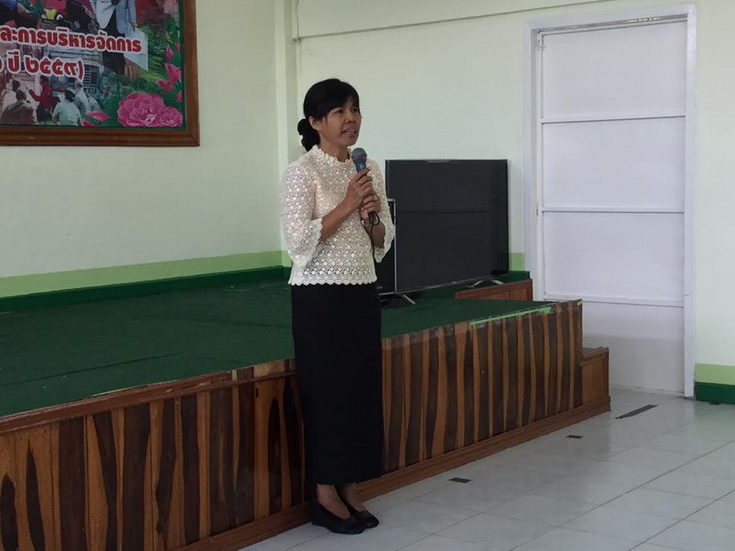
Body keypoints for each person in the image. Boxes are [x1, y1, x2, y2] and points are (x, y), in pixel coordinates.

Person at [280, 78, 394, 535]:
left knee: (359, 391)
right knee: (327, 393)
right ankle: (325, 492)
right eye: (340, 112)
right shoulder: (301, 172)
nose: (351, 119)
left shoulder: (369, 169)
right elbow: (297, 243)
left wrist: (370, 219)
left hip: (361, 291)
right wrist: (348, 203)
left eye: (355, 110)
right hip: (319, 297)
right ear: (315, 121)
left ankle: (349, 484)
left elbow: (383, 239)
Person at [93, 0, 137, 75]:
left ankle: (119, 72)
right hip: (103, 18)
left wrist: (133, 20)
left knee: (119, 47)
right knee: (104, 46)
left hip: (120, 19)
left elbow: (131, 3)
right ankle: (106, 70)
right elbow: (93, 1)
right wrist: (94, 16)